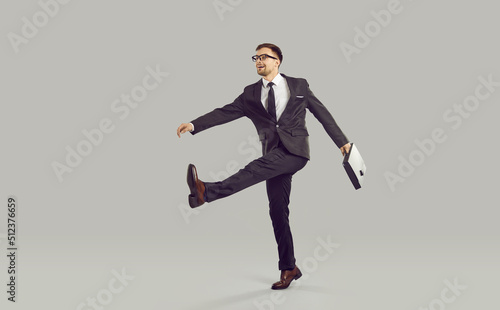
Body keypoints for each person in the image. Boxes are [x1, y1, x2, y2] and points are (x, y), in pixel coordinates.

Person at [177, 43, 351, 290]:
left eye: (264, 57)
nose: (258, 61)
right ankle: (289, 268)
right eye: (255, 57)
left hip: (295, 151)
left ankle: (207, 191)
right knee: (278, 212)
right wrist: (194, 125)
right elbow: (225, 112)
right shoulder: (250, 93)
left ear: (277, 61)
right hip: (273, 154)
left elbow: (323, 113)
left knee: (253, 169)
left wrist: (342, 143)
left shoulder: (299, 85)